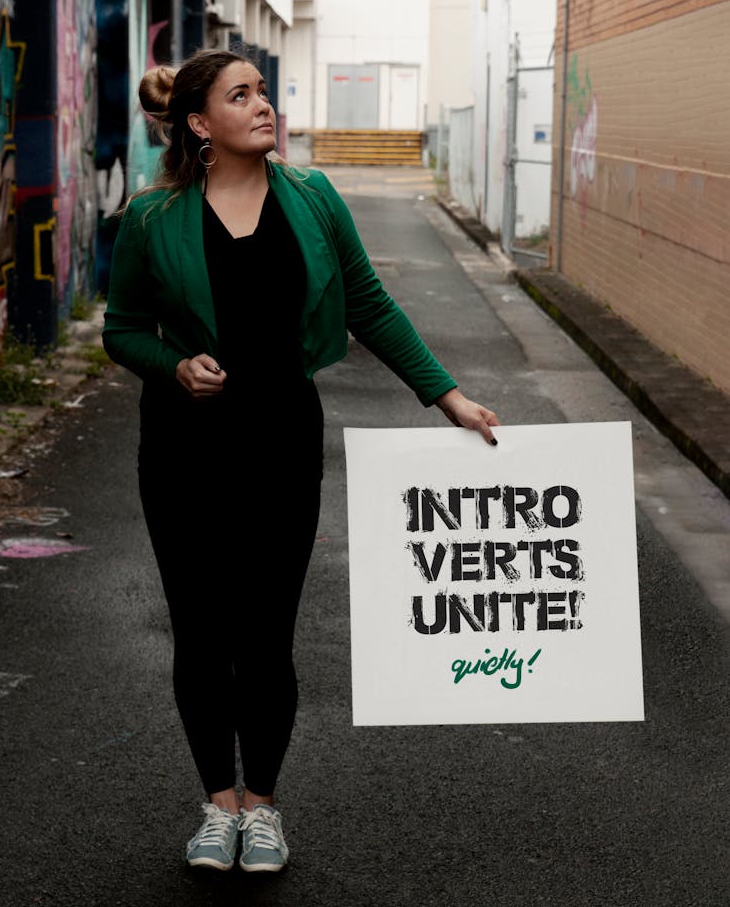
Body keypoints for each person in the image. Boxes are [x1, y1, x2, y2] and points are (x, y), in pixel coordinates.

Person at [102, 48, 500, 875]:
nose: (264, 106)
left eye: (264, 92)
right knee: (202, 634)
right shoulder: (152, 217)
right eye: (240, 96)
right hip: (182, 450)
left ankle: (265, 806)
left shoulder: (313, 199)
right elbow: (123, 327)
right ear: (202, 124)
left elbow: (369, 301)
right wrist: (172, 366)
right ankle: (218, 804)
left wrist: (448, 395)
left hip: (282, 443)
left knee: (267, 636)